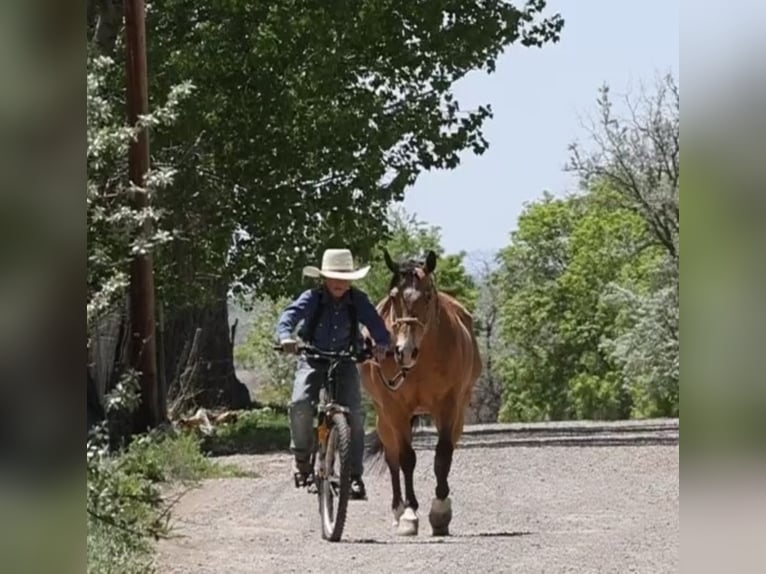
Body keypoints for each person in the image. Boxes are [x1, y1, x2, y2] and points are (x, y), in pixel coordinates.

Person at [276, 248, 391, 500]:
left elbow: (377, 326)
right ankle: (302, 460)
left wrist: (382, 344)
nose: (339, 283)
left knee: (356, 417)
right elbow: (289, 316)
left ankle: (354, 477)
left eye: (344, 278)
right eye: (333, 277)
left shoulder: (358, 301)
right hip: (312, 357)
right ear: (324, 279)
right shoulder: (312, 298)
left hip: (345, 359)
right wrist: (286, 337)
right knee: (301, 404)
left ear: (351, 280)